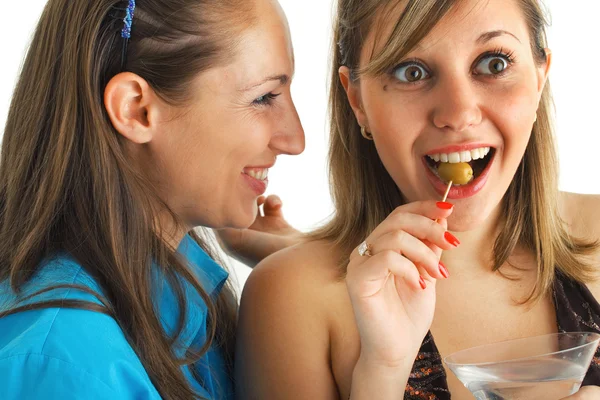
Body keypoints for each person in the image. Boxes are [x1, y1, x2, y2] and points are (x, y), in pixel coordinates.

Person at [233, 0, 600, 399]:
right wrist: (383, 370)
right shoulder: (290, 299)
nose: (458, 113)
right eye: (412, 72)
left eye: (494, 64)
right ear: (357, 101)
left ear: (540, 75)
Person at [0, 0, 303, 398]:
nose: (294, 140)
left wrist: (300, 266)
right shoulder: (68, 367)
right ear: (136, 110)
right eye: (265, 97)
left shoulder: (180, 293)